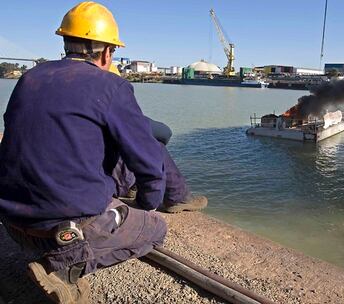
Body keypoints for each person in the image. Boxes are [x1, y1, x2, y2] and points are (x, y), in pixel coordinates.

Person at [0, 2, 207, 303]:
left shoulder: (30, 78)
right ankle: (63, 269)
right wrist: (146, 205)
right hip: (60, 233)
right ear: (108, 53)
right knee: (155, 230)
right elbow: (148, 159)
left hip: (13, 223)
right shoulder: (111, 86)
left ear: (66, 42)